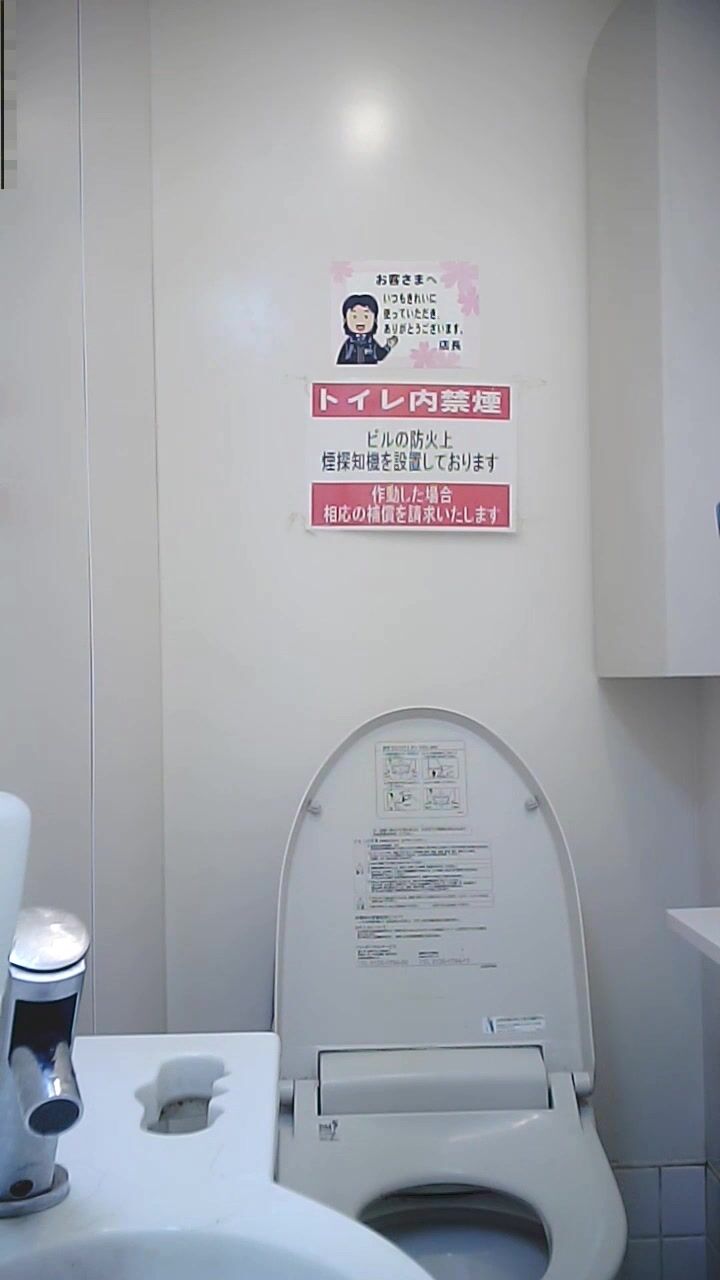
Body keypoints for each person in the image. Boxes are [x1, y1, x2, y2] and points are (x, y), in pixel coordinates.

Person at [336, 294, 398, 365]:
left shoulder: (371, 343)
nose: (360, 321)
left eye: (366, 316)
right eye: (354, 316)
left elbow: (380, 355)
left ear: (375, 320)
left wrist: (388, 346)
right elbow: (340, 362)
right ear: (345, 320)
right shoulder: (348, 344)